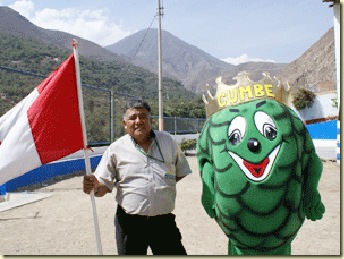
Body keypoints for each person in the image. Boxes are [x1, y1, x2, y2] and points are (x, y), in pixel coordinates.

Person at [83, 99, 192, 255]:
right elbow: (104, 187)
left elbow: (180, 172)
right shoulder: (116, 149)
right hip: (130, 224)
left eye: (143, 117)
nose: (138, 121)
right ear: (124, 123)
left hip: (163, 221)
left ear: (150, 120)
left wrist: (160, 189)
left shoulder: (167, 141)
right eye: (133, 118)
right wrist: (93, 188)